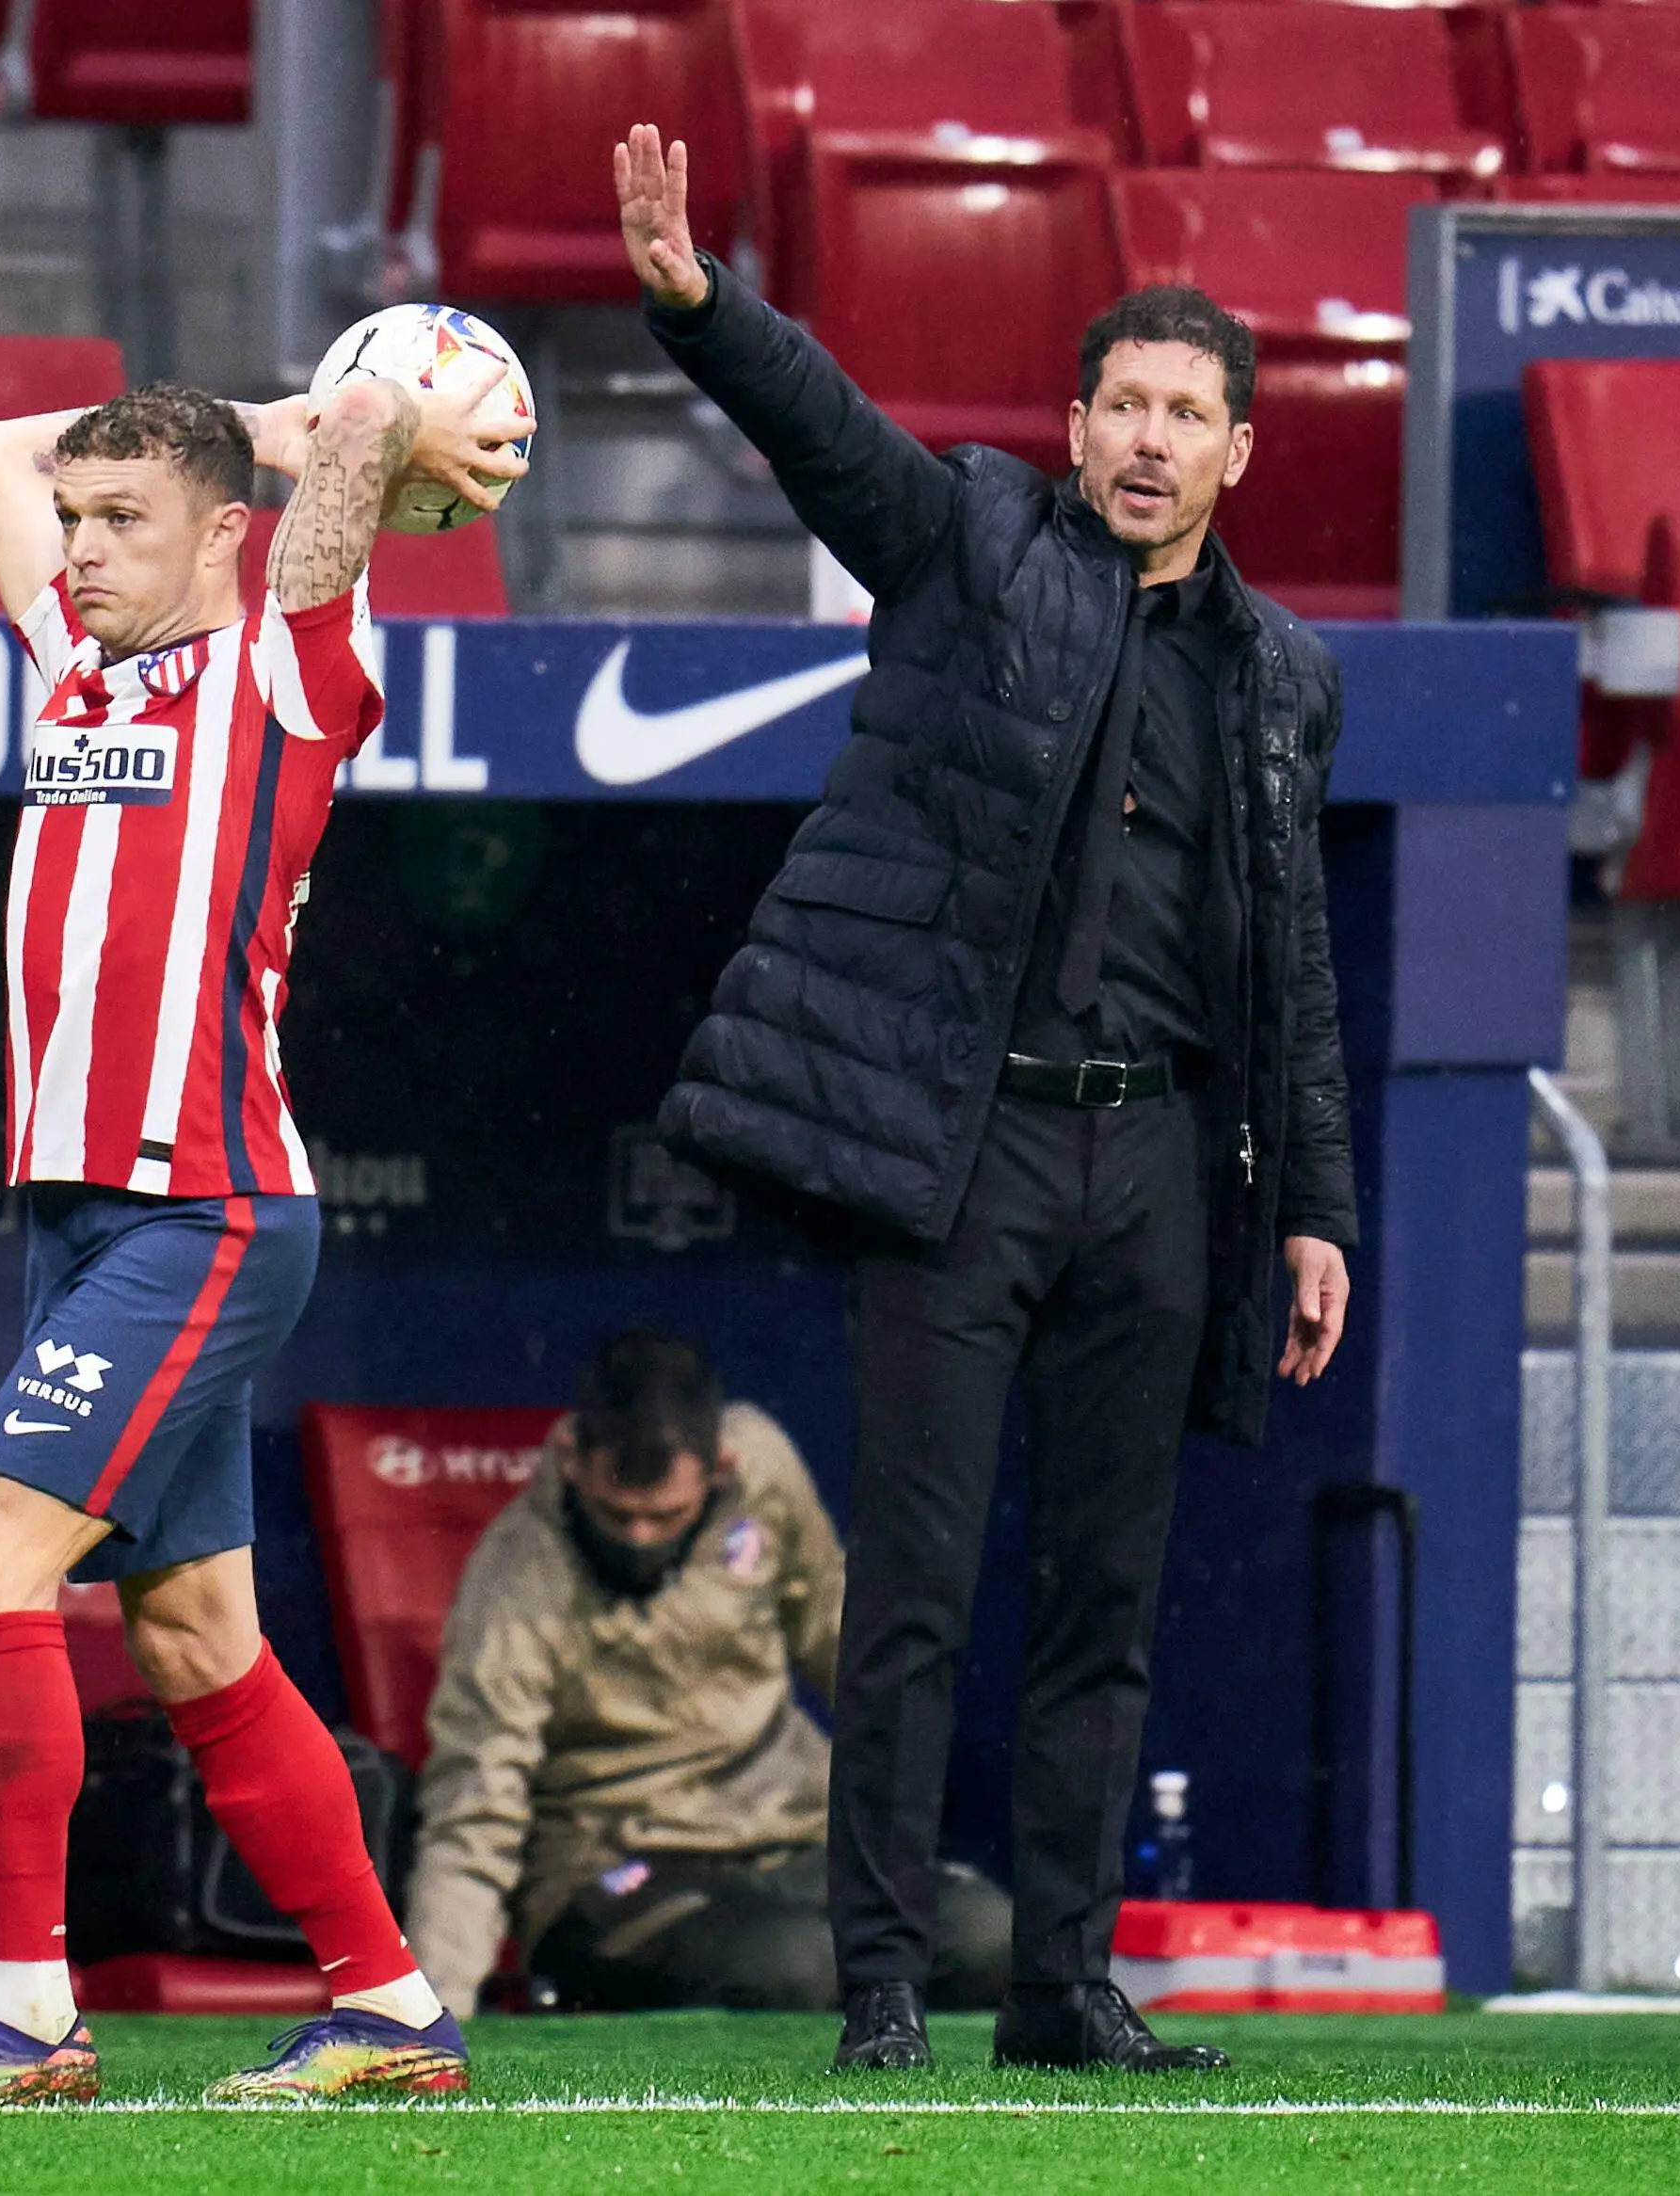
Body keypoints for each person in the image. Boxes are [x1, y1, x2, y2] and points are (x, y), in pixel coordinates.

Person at [611, 126, 1362, 2077]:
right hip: (964, 1146)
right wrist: (699, 302)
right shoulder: (974, 545)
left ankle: (1059, 1984)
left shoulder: (1285, 673)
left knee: (1103, 1598)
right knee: (916, 1591)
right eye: (1121, 401)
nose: (1147, 435)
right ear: (1073, 420)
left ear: (1235, 452)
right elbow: (830, 431)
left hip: (1162, 1164)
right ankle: (881, 1980)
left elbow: (1292, 964)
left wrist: (1315, 1212)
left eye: (1187, 411)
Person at [0, 361, 530, 2108]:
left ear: (228, 535)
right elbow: (4, 442)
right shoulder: (75, 669)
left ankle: (19, 2015)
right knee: (196, 1638)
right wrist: (250, 422)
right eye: (75, 527)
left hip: (203, 1201)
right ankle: (387, 2005)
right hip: (89, 1221)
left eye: (121, 523)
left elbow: (368, 446)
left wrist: (330, 428)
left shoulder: (285, 670)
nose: (75, 549)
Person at [405, 1332, 1007, 2018]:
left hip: (794, 1836)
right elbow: (474, 1806)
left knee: (989, 1936)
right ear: (572, 1460)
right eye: (616, 1513)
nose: (638, 1538)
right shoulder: (515, 1579)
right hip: (619, 1868)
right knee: (799, 1966)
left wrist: (893, 1827)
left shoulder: (762, 1469)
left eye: (664, 1516)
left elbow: (851, 1652)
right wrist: (432, 2018)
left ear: (718, 1469)